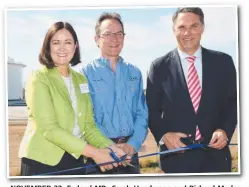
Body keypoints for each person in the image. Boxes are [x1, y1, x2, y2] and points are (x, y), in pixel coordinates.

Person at [18, 21, 125, 176]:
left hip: (74, 160)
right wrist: (95, 153)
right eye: (56, 42)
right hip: (41, 162)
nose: (62, 48)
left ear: (75, 47)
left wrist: (111, 147)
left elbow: (88, 126)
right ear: (48, 47)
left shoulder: (81, 80)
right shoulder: (38, 78)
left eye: (68, 42)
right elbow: (50, 129)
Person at [146, 7, 237, 173]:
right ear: (174, 30)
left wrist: (224, 129)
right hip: (175, 160)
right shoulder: (158, 67)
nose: (187, 33)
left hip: (216, 158)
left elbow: (234, 102)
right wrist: (164, 135)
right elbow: (151, 110)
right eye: (181, 27)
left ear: (202, 27)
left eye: (194, 26)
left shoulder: (223, 62)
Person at [77, 12, 148, 174]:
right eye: (108, 34)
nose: (114, 39)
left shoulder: (135, 73)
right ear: (97, 39)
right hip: (100, 156)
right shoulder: (84, 74)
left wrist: (133, 144)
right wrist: (108, 146)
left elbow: (141, 113)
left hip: (130, 155)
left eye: (119, 34)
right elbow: (87, 118)